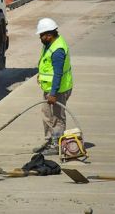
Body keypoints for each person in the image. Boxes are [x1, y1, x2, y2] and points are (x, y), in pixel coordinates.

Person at [34, 18, 73, 155]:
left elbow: (58, 74)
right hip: (49, 89)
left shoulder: (58, 50)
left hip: (58, 90)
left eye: (41, 35)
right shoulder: (49, 44)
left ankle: (56, 145)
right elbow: (46, 65)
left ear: (49, 34)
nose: (40, 38)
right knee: (46, 115)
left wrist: (53, 93)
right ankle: (49, 141)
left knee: (57, 118)